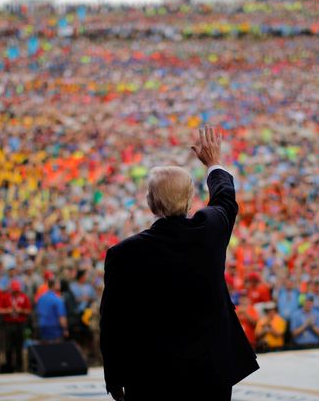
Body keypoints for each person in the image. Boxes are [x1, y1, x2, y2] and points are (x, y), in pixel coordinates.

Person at [100, 126, 258, 401]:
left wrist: (115, 376)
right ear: (189, 201)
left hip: (151, 376)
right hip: (211, 372)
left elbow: (113, 321)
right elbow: (225, 198)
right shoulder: (211, 229)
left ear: (150, 203)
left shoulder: (123, 253)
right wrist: (213, 163)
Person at [0, 280, 31, 373]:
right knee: (8, 347)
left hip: (20, 324)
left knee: (19, 347)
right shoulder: (5, 297)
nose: (16, 293)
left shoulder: (24, 297)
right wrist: (7, 310)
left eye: (17, 291)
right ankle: (9, 367)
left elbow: (29, 311)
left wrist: (21, 310)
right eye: (14, 291)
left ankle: (20, 367)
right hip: (9, 324)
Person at [35, 277, 69, 343]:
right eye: (58, 284)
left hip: (42, 328)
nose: (60, 285)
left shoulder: (41, 298)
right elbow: (62, 317)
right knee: (56, 351)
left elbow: (38, 312)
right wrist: (65, 329)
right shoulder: (57, 300)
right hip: (54, 329)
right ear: (54, 286)